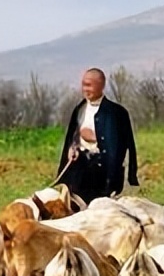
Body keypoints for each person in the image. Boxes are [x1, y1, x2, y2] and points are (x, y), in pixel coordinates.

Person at [55, 68, 139, 206]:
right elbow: (72, 137)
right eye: (83, 85)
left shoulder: (117, 113)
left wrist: (127, 175)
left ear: (101, 85)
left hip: (102, 173)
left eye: (89, 85)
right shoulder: (79, 109)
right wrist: (72, 149)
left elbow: (124, 146)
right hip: (80, 170)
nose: (85, 89)